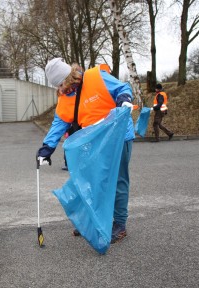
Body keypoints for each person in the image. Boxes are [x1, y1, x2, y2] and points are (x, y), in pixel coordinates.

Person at [37, 58, 135, 244]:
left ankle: (120, 225)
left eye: (62, 84)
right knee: (92, 180)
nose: (61, 89)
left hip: (119, 137)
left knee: (118, 180)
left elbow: (123, 88)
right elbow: (59, 122)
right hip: (95, 142)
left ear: (69, 77)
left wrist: (124, 99)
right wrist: (46, 148)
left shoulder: (96, 77)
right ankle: (93, 220)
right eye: (58, 86)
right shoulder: (65, 97)